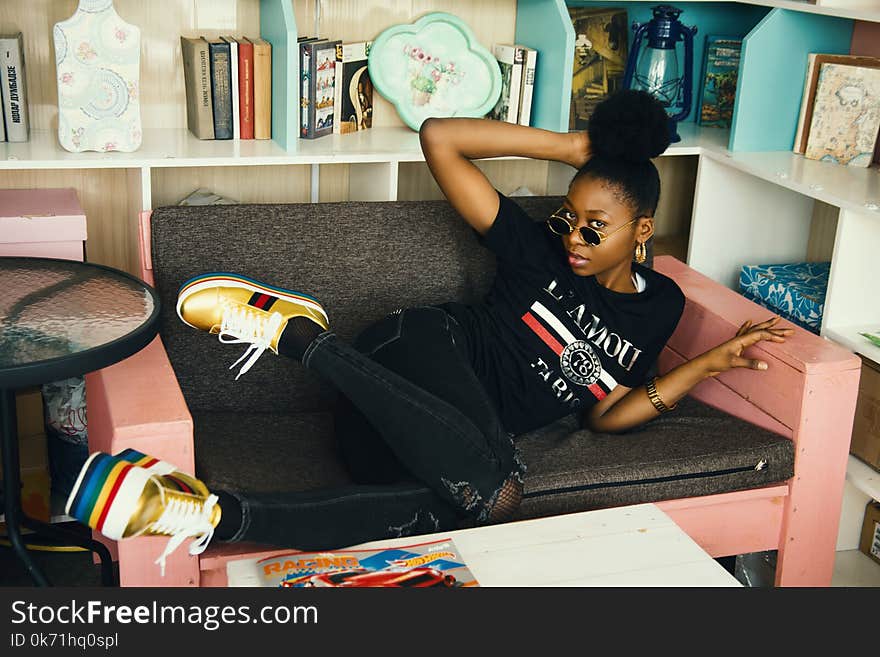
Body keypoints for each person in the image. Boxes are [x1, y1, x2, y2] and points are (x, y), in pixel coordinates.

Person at [65, 90, 793, 575]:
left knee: (466, 502)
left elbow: (608, 411)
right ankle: (298, 338)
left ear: (642, 230)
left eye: (594, 228)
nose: (572, 236)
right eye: (570, 217)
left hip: (398, 434)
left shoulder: (659, 305)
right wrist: (577, 150)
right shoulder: (535, 248)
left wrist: (705, 364)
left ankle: (205, 510)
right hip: (410, 350)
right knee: (498, 486)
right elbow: (441, 138)